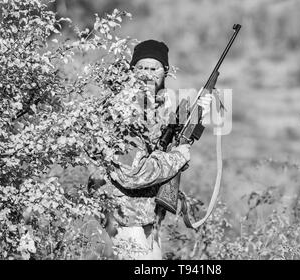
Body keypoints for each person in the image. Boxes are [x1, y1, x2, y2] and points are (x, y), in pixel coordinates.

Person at [88, 39, 212, 260]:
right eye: (141, 68)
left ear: (165, 72)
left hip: (149, 216)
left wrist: (199, 114)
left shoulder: (160, 107)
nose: (147, 74)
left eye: (153, 68)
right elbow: (132, 174)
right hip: (123, 218)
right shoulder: (122, 110)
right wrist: (177, 157)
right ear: (131, 72)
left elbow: (173, 147)